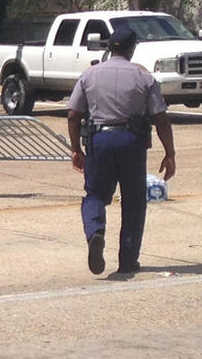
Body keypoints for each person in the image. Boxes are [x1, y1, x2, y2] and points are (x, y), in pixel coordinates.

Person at [67, 28, 176, 275]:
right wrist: (170, 153)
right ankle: (127, 261)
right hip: (131, 141)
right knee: (134, 201)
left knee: (94, 194)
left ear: (109, 47)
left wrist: (75, 148)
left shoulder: (89, 75)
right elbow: (161, 117)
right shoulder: (144, 77)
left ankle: (95, 232)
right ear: (132, 48)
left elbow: (73, 114)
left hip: (100, 140)